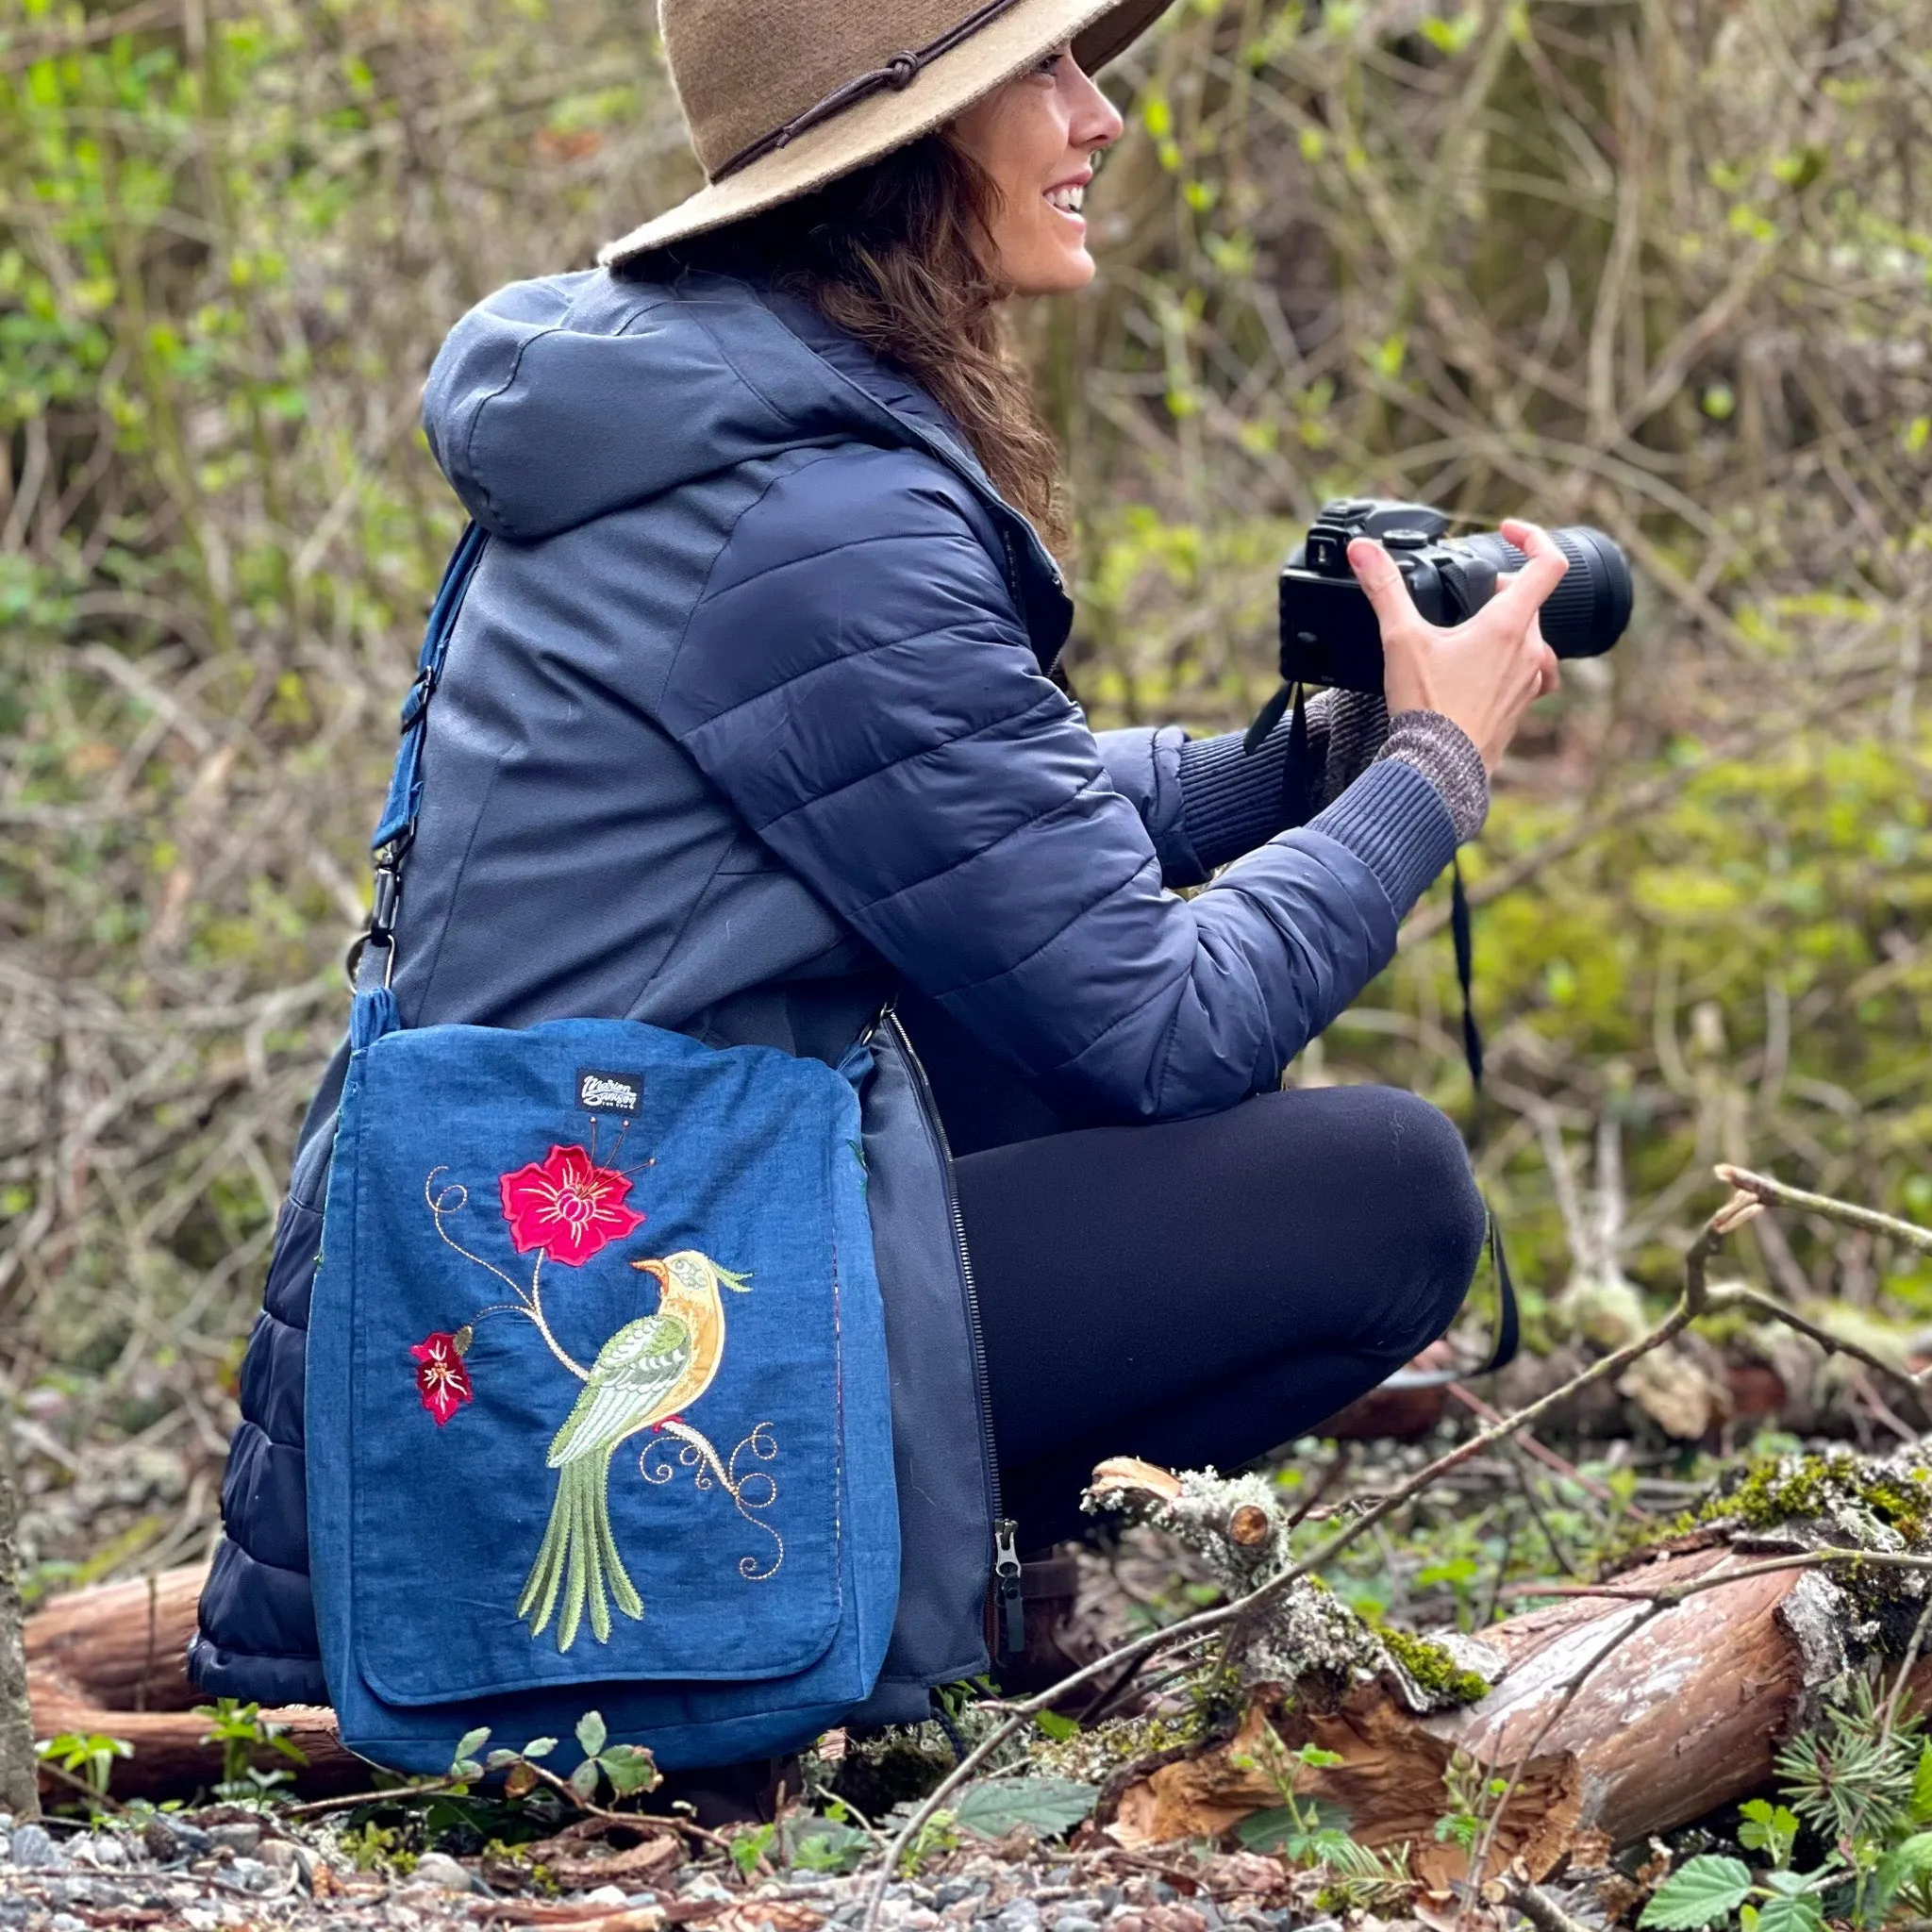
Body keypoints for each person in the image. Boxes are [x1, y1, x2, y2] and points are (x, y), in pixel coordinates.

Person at [191, 0, 1564, 1777]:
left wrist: (1280, 771)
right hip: (596, 1323)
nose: (1104, 119)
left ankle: (926, 1592)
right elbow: (1167, 1025)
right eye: (1048, 76)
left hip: (565, 1235)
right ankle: (884, 1610)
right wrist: (1425, 779)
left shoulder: (698, 416)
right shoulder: (820, 512)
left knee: (998, 1012)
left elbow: (969, 817)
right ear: (902, 140)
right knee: (1386, 1191)